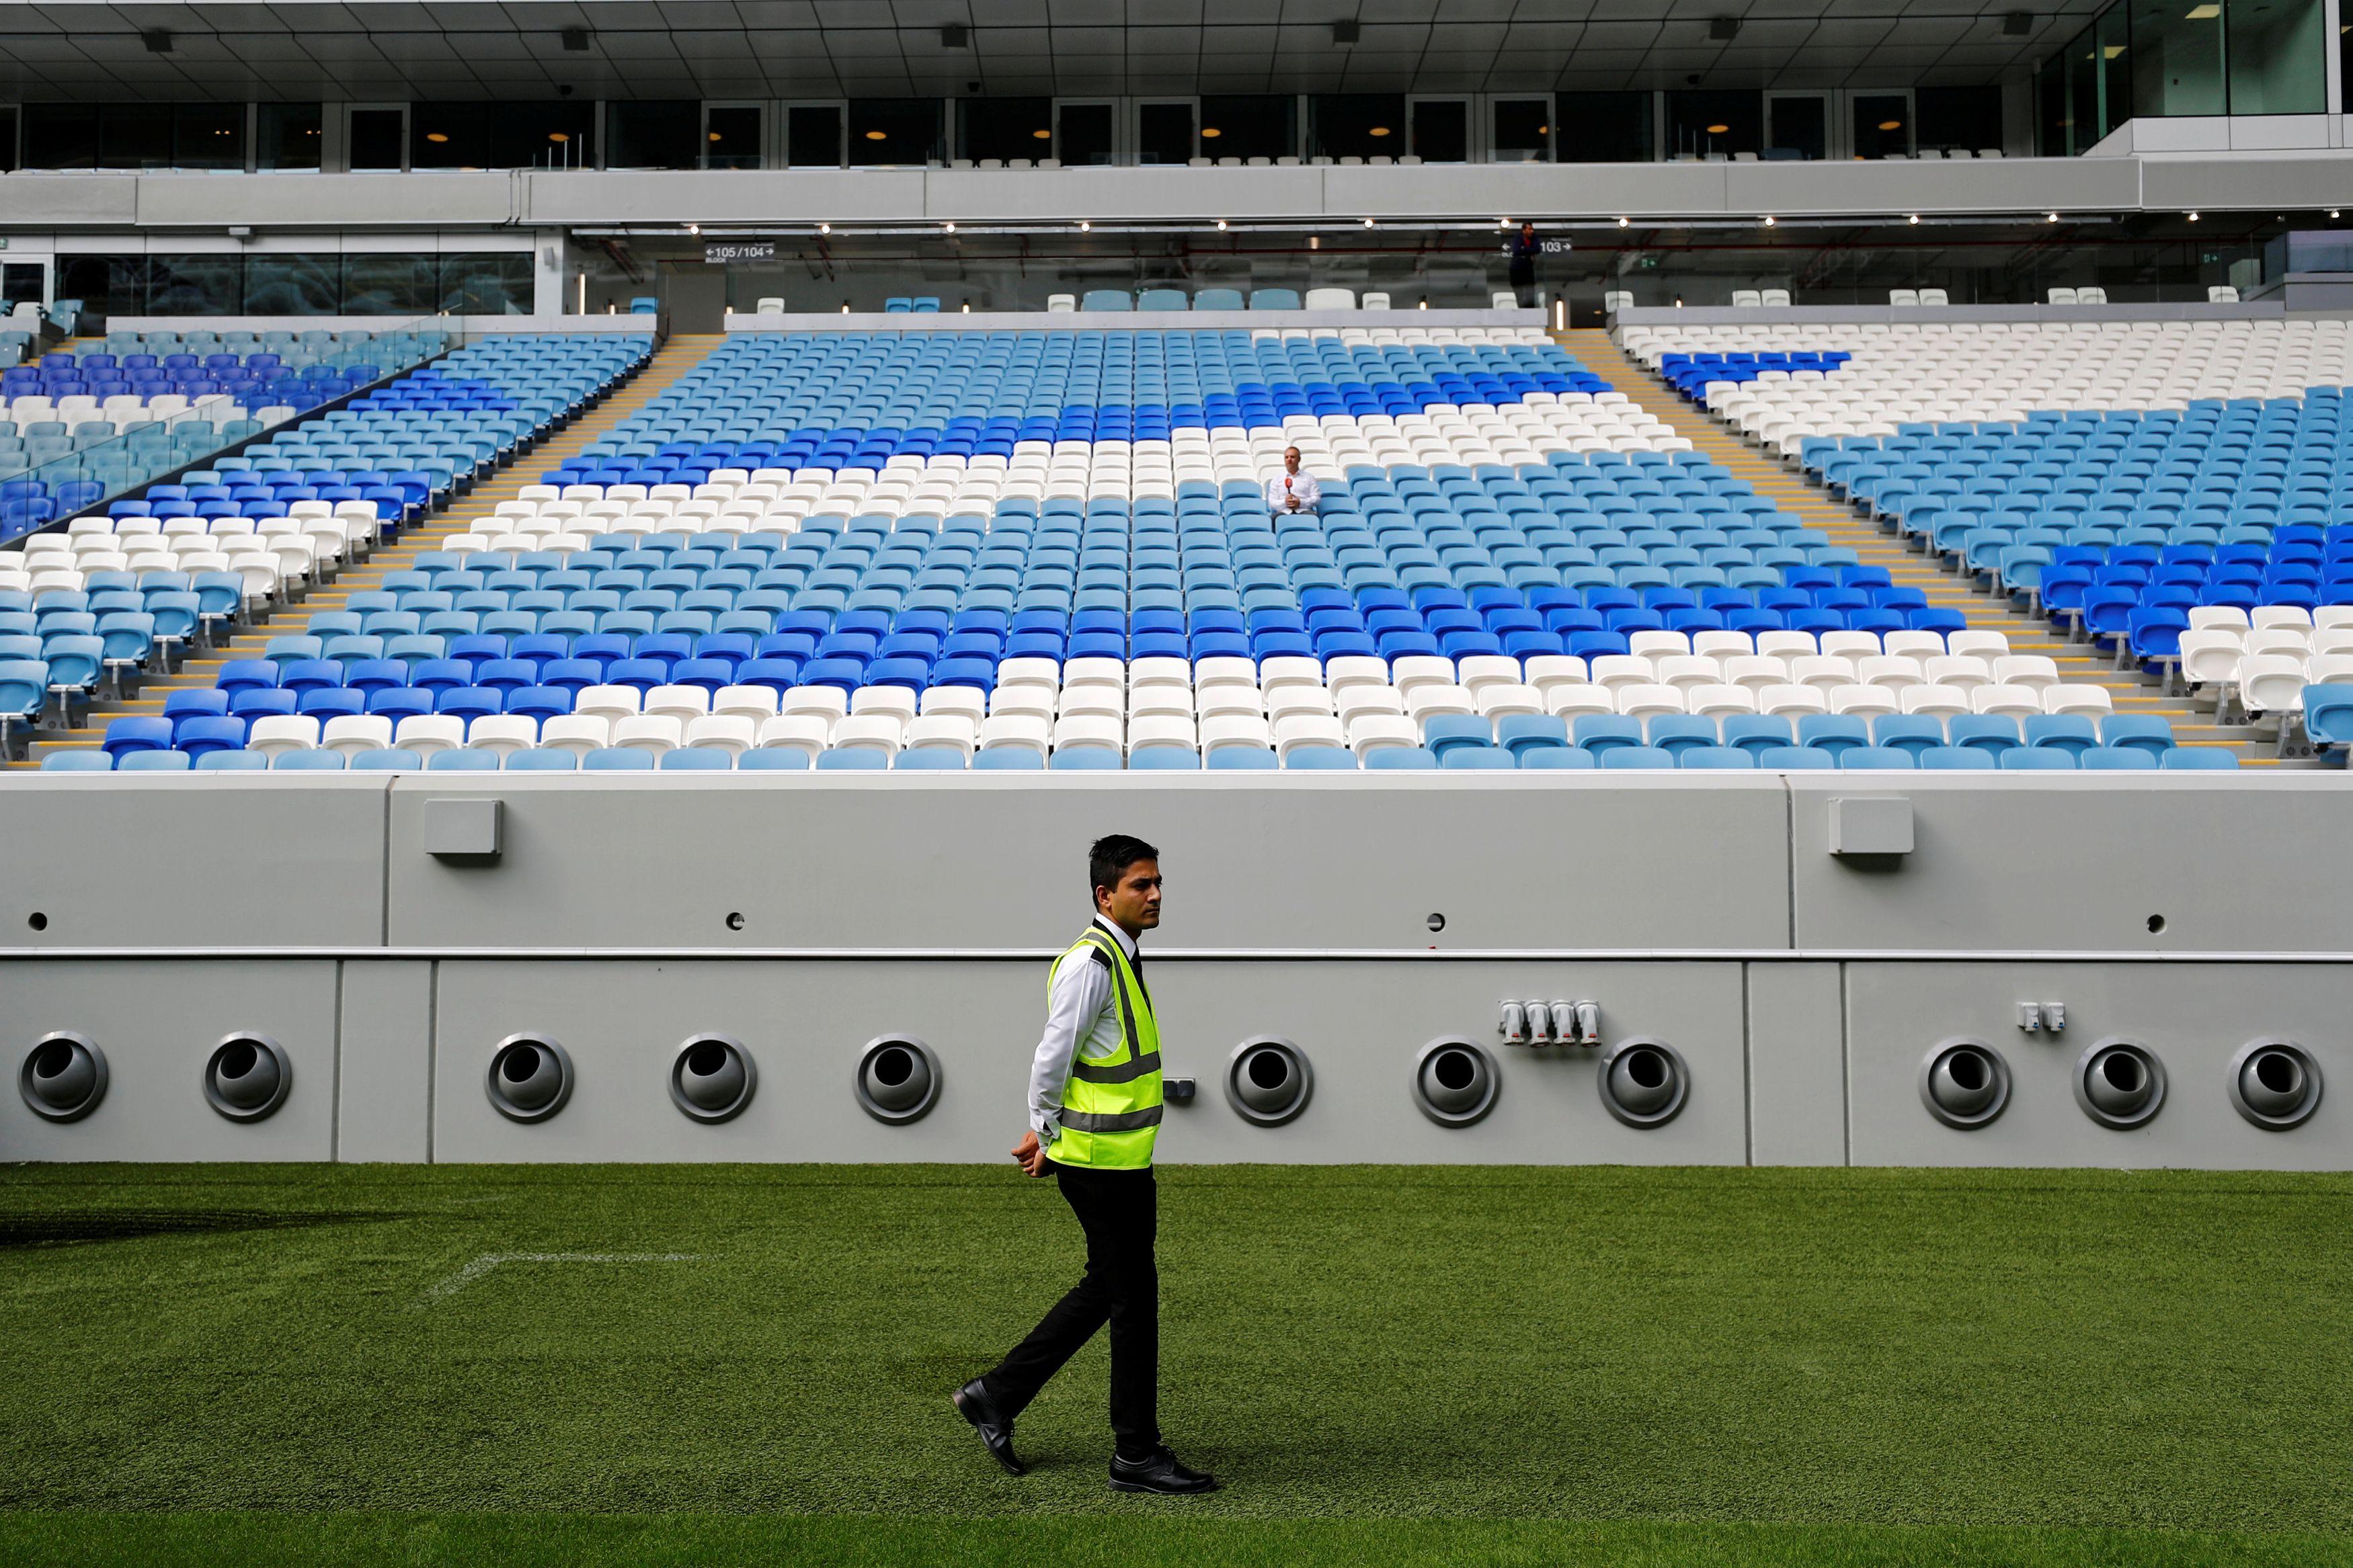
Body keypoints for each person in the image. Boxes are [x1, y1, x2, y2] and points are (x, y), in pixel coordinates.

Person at [953, 835, 1219, 1496]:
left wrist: (1052, 1132)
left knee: (1111, 1286)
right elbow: (1050, 1060)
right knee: (1133, 1300)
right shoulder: (1092, 965)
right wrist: (1046, 1132)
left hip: (1112, 1159)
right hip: (1101, 1165)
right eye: (1139, 884)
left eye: (1157, 882)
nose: (1154, 894)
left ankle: (995, 1395)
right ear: (1105, 895)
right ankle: (1134, 1452)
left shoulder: (1118, 957)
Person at [1263, 446, 1320, 519]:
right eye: (1287, 457)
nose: (1289, 460)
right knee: (1273, 519)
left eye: (1292, 457)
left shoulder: (1309, 478)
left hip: (1304, 511)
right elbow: (1272, 503)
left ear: (1299, 459)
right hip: (1283, 512)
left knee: (1313, 518)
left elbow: (1316, 499)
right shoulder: (1277, 479)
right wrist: (1285, 502)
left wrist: (1300, 502)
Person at [1509, 221, 1540, 308]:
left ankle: (1530, 307)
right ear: (1524, 230)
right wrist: (1530, 252)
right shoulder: (1518, 238)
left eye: (1532, 229)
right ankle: (1521, 307)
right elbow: (1516, 250)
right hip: (1517, 268)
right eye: (1529, 229)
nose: (1532, 231)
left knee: (1530, 288)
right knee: (1519, 289)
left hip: (1528, 268)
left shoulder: (1534, 237)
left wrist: (1524, 249)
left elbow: (1537, 249)